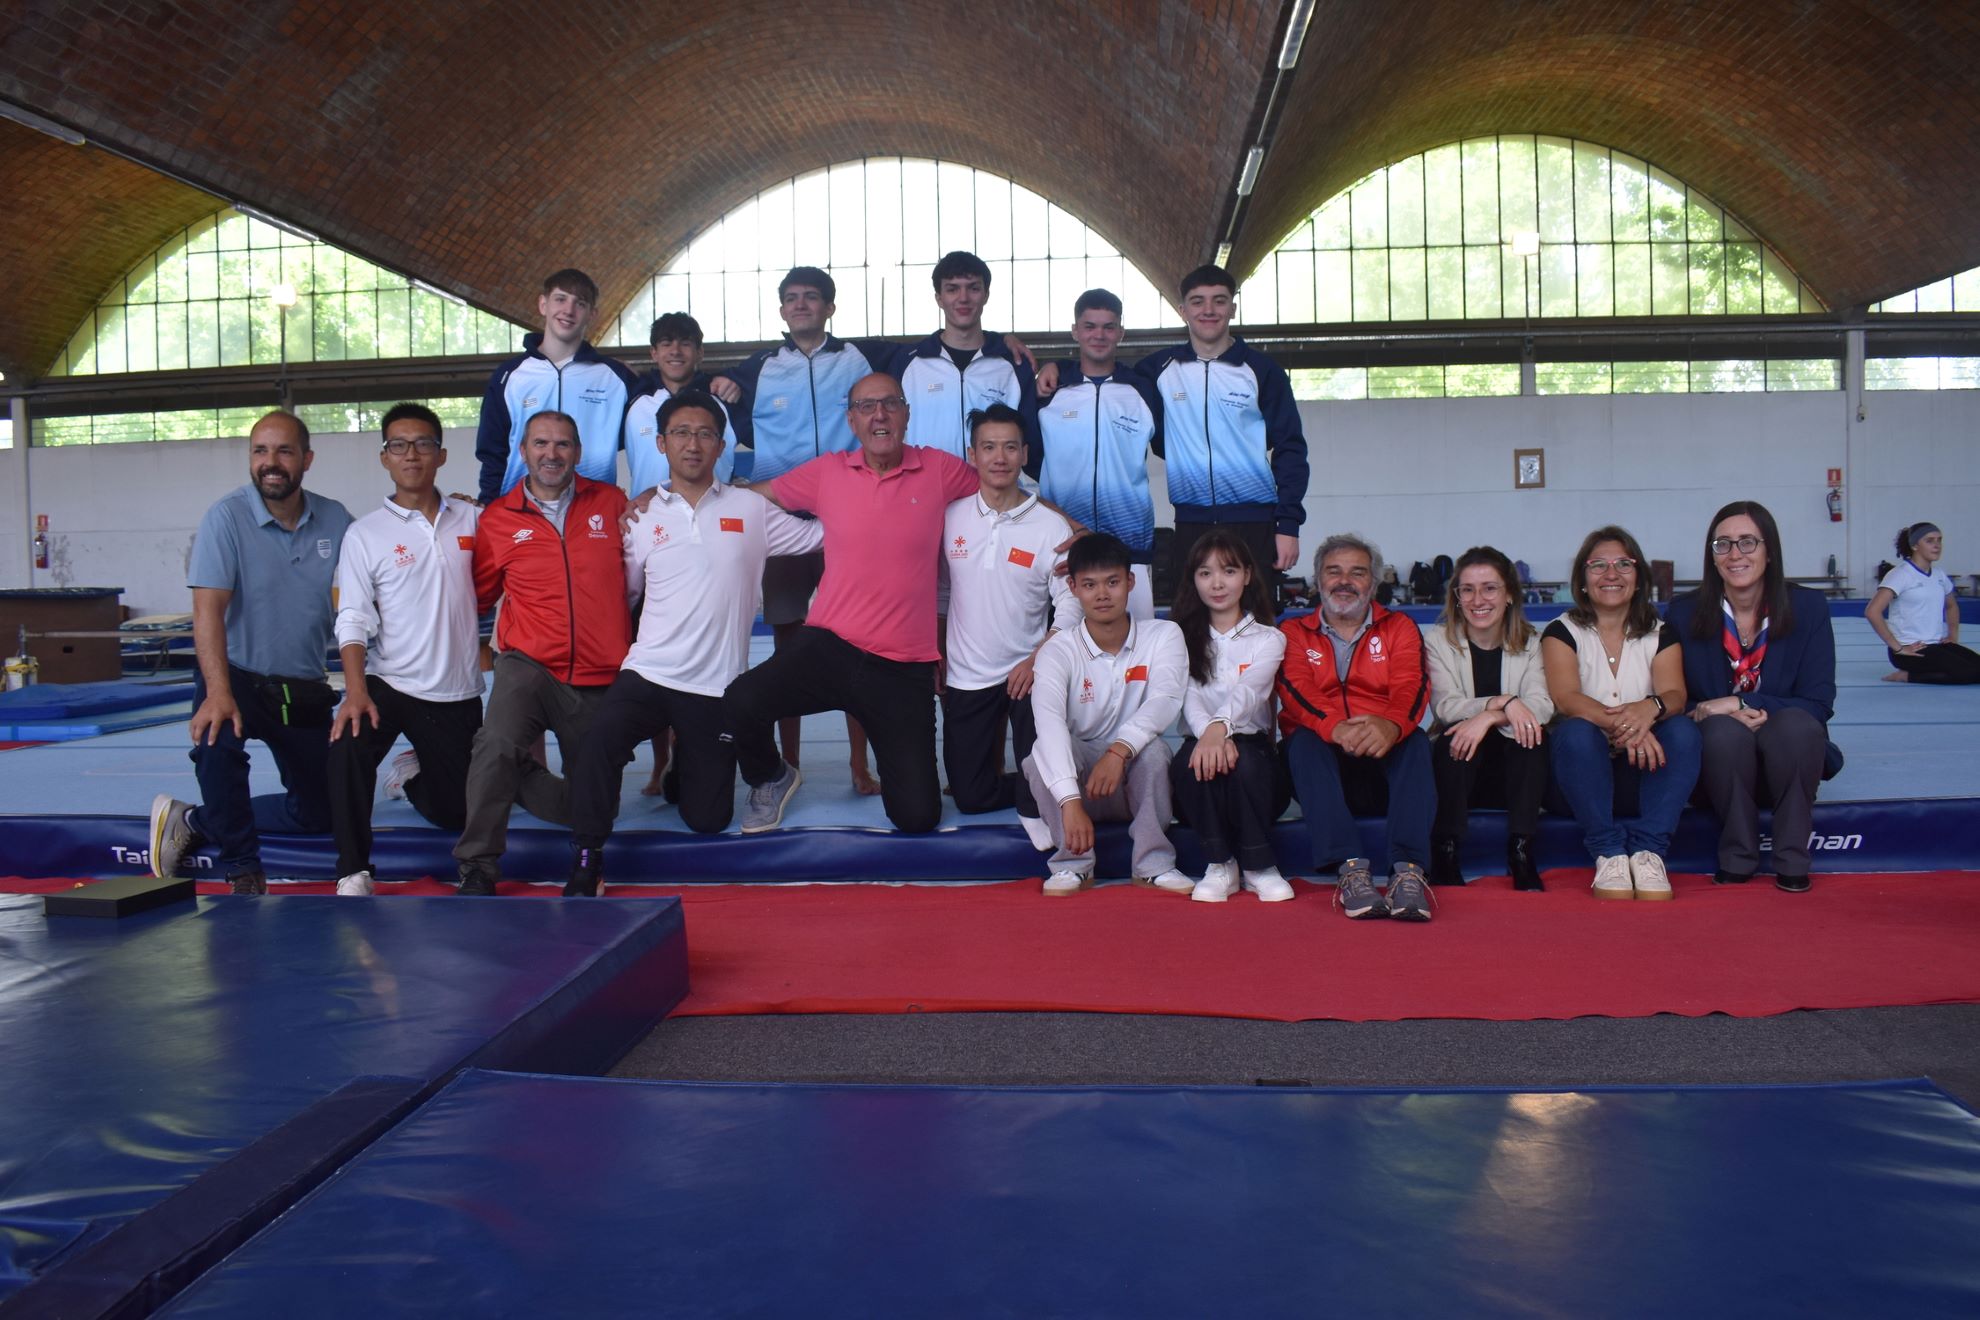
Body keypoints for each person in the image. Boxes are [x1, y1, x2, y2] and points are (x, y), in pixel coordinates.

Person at [562, 391, 823, 895]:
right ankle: (588, 858)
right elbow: (630, 592)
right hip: (649, 672)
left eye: (705, 433)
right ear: (661, 443)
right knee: (600, 742)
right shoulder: (641, 519)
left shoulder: (751, 508)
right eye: (681, 433)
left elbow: (821, 537)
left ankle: (703, 767)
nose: (693, 443)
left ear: (721, 445)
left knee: (706, 819)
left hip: (714, 688)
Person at [719, 372, 983, 835]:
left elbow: (1005, 491)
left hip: (903, 667)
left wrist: (1072, 530)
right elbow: (746, 499)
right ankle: (773, 776)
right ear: (852, 420)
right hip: (830, 647)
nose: (878, 415)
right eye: (865, 406)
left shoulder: (940, 469)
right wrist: (658, 499)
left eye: (889, 404)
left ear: (905, 413)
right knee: (741, 700)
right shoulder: (828, 472)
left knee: (917, 817)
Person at [147, 411, 354, 894]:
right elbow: (208, 612)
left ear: (307, 458)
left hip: (300, 686)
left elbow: (375, 579)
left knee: (322, 811)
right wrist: (217, 693)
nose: (271, 462)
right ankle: (242, 868)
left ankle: (195, 819)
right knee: (217, 751)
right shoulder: (226, 518)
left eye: (283, 451)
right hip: (234, 674)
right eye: (260, 451)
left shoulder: (337, 519)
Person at [712, 266, 900, 794]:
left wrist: (1004, 340)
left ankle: (861, 766)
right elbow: (695, 386)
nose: (800, 306)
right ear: (781, 310)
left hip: (851, 522)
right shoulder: (757, 369)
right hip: (785, 525)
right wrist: (721, 384)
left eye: (811, 298)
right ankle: (787, 763)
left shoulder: (862, 359)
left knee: (860, 646)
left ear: (829, 308)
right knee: (789, 650)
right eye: (791, 299)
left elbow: (942, 344)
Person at [455, 411, 632, 894]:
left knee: (592, 804)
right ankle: (477, 867)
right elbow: (476, 596)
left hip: (599, 673)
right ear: (523, 450)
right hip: (528, 664)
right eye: (541, 444)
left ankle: (518, 776)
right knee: (496, 746)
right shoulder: (497, 519)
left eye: (562, 445)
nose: (551, 454)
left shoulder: (612, 503)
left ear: (577, 452)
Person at [325, 404, 484, 896]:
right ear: (384, 458)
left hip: (455, 693)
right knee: (346, 745)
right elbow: (351, 615)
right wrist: (354, 691)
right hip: (389, 681)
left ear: (441, 454)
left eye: (422, 444)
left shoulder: (475, 519)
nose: (411, 454)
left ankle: (411, 775)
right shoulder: (365, 534)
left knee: (454, 811)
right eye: (399, 445)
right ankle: (353, 869)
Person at [1667, 502, 1837, 893]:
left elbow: (1819, 701)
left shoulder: (1808, 608)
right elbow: (1673, 698)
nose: (1735, 554)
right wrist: (1711, 712)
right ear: (1711, 555)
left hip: (1789, 759)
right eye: (1722, 544)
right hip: (1720, 766)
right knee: (1722, 731)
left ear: (1769, 550)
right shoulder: (1684, 613)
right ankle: (1737, 855)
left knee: (1796, 725)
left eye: (1747, 542)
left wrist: (1745, 703)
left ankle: (1792, 857)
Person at [1276, 534, 1436, 921]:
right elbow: (1297, 691)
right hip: (1324, 765)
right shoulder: (1293, 632)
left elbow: (1411, 688)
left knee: (1414, 742)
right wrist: (1335, 728)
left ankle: (1409, 875)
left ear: (1373, 583)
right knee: (1302, 742)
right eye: (1334, 571)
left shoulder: (1399, 627)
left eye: (1357, 572)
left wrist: (1392, 726)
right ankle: (1351, 872)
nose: (1344, 581)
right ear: (1317, 580)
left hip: (1383, 760)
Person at [1023, 533, 1192, 896]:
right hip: (1082, 784)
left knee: (1155, 750)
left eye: (1113, 582)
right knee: (1041, 755)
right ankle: (1072, 865)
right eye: (1089, 584)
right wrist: (1069, 801)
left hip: (1131, 777)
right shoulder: (1058, 650)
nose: (1102, 594)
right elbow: (1048, 721)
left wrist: (1119, 751)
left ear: (1130, 582)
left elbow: (1165, 700)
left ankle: (1154, 864)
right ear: (1072, 587)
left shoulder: (1164, 635)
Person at [1541, 525, 1701, 900]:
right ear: (1582, 580)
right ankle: (1608, 851)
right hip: (1581, 779)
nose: (1611, 574)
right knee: (1575, 731)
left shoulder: (1661, 633)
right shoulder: (1560, 632)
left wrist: (1653, 708)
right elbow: (1567, 699)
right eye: (1598, 565)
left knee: (1682, 732)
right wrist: (1634, 725)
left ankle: (1649, 852)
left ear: (1639, 577)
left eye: (1623, 564)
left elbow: (1674, 695)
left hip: (1641, 774)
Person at [940, 404, 1077, 823]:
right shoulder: (950, 517)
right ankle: (1050, 779)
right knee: (970, 796)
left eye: (1010, 448)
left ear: (1025, 455)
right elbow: (941, 591)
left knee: (1040, 797)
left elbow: (1071, 605)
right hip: (967, 675)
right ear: (972, 455)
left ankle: (1053, 780)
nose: (999, 458)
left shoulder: (1051, 527)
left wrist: (1038, 659)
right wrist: (934, 650)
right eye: (989, 447)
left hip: (1029, 673)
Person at [1133, 263, 1308, 588]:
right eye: (1198, 301)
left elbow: (1290, 448)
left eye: (1219, 300)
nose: (1209, 310)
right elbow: (1103, 373)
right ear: (1184, 310)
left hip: (1255, 523)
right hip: (1190, 523)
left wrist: (1288, 524)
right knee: (1192, 629)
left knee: (1258, 626)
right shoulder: (1157, 370)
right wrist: (1059, 368)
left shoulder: (1261, 370)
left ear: (1233, 308)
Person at [1169, 531, 1292, 903]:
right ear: (1193, 579)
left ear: (1248, 576)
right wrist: (1209, 736)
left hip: (1252, 748)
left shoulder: (1270, 638)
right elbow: (1187, 694)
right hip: (1199, 744)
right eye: (1205, 573)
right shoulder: (1176, 637)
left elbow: (1250, 690)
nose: (1217, 583)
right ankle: (1220, 865)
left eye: (1229, 571)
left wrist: (1219, 730)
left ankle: (1258, 867)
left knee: (1245, 766)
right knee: (1193, 764)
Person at [1423, 546, 1552, 891]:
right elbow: (1446, 707)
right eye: (1468, 589)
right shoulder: (1438, 641)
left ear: (1509, 593)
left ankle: (1521, 851)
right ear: (1457, 596)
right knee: (1459, 736)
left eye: (1489, 588)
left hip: (1515, 776)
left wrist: (1489, 718)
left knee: (1531, 735)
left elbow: (1542, 705)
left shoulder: (1532, 641)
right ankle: (1446, 850)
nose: (1478, 599)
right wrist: (1503, 703)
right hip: (1459, 771)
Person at [1032, 288, 1164, 619]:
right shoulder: (1051, 390)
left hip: (1129, 541)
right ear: (1075, 331)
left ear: (1121, 331)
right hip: (1063, 541)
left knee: (1134, 649)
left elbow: (1165, 446)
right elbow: (1032, 456)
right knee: (1067, 648)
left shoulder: (1142, 390)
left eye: (1108, 326)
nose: (1099, 335)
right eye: (1090, 326)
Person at [474, 268, 638, 505]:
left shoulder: (615, 377)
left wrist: (708, 382)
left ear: (592, 314)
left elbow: (662, 406)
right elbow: (493, 452)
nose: (568, 310)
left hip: (592, 512)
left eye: (580, 304)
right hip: (520, 511)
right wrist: (489, 505)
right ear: (543, 304)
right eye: (560, 299)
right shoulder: (509, 375)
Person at [899, 251, 1038, 458]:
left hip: (994, 490)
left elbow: (1031, 440)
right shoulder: (906, 363)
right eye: (952, 289)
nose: (963, 298)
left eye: (973, 288)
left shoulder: (1013, 365)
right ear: (939, 298)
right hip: (927, 488)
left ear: (986, 295)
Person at [622, 311, 740, 498]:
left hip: (711, 516)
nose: (675, 351)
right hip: (648, 518)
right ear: (654, 353)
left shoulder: (724, 399)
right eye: (666, 343)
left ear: (700, 353)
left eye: (685, 343)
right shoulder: (634, 400)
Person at [1865, 521, 1980, 684]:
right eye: (1930, 540)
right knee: (1969, 674)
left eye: (1939, 540)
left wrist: (1952, 635)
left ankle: (1915, 672)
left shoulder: (1939, 575)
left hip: (1937, 646)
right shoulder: (1900, 575)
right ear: (1914, 545)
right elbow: (1872, 612)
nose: (1937, 545)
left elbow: (1951, 605)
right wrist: (1898, 647)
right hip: (1911, 650)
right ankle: (1906, 676)